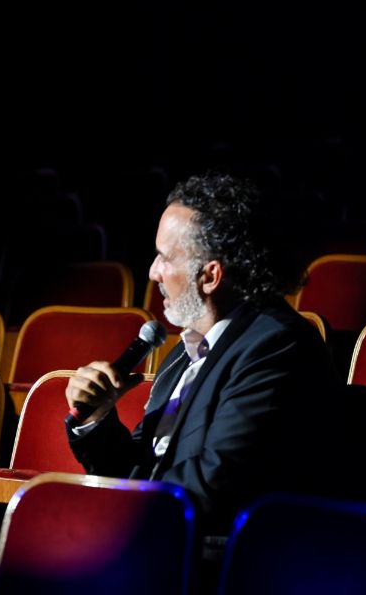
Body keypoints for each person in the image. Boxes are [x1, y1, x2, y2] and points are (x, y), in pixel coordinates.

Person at [65, 173, 342, 535]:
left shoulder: (277, 346)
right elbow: (141, 466)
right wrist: (97, 417)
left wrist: (114, 516)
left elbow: (216, 485)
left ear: (210, 276)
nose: (153, 273)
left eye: (164, 258)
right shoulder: (184, 354)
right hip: (159, 536)